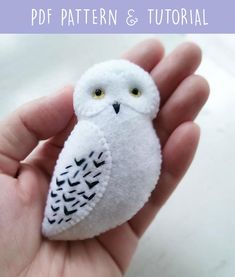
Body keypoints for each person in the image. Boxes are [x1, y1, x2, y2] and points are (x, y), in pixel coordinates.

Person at [0, 39, 209, 277]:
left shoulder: (147, 139)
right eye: (98, 93)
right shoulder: (89, 135)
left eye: (134, 91)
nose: (118, 103)